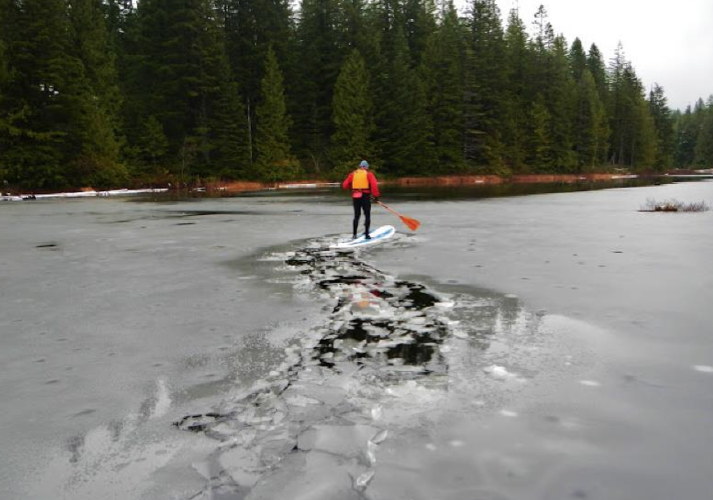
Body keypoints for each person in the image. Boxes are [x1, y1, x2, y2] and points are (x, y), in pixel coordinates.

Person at [342, 160, 380, 240]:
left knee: (356, 216)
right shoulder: (369, 174)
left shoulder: (353, 174)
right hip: (365, 196)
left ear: (360, 166)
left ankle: (354, 235)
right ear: (366, 167)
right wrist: (376, 197)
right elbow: (374, 186)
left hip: (355, 196)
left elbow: (345, 185)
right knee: (367, 215)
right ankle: (366, 235)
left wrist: (354, 189)